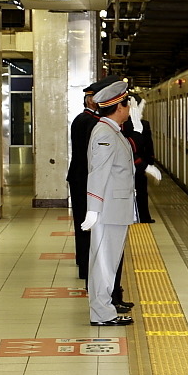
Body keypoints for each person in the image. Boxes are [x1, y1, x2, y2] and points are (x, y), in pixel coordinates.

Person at [81, 80, 135, 326]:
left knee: (107, 262)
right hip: (107, 210)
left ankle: (104, 310)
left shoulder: (111, 131)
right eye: (127, 104)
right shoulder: (105, 133)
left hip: (114, 208)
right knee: (104, 263)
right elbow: (98, 173)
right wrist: (93, 210)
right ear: (119, 107)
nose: (129, 108)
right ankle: (102, 314)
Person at [66, 75, 119, 280]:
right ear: (90, 100)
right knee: (87, 225)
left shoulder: (83, 119)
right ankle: (87, 268)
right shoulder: (90, 122)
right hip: (84, 180)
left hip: (79, 178)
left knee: (82, 223)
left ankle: (83, 263)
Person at [122, 94, 161, 223]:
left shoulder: (138, 124)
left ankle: (140, 216)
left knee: (139, 190)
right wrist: (148, 163)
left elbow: (148, 144)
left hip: (137, 162)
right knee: (137, 190)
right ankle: (139, 216)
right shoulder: (131, 125)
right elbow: (134, 146)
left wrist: (149, 162)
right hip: (135, 162)